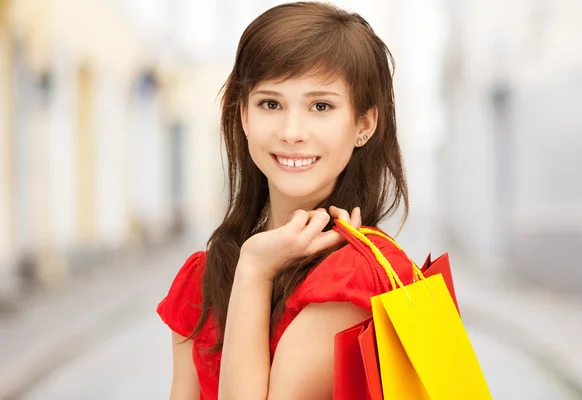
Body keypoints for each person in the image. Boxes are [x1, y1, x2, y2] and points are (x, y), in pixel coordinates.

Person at [157, 2, 416, 399]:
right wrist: (250, 264)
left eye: (321, 106)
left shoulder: (358, 278)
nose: (292, 131)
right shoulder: (203, 279)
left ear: (364, 124)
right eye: (270, 104)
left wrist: (256, 270)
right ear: (243, 115)